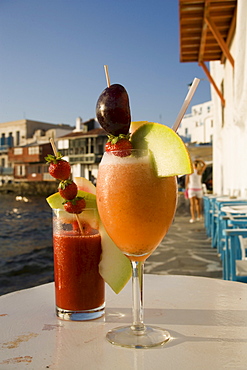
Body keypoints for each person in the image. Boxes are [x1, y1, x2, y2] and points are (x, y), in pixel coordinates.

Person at [185, 159, 207, 223]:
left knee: (192, 204)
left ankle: (193, 217)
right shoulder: (199, 171)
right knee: (198, 204)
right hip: (198, 189)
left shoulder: (190, 172)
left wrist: (186, 188)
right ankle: (199, 216)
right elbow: (205, 165)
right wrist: (200, 160)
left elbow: (187, 181)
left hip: (192, 188)